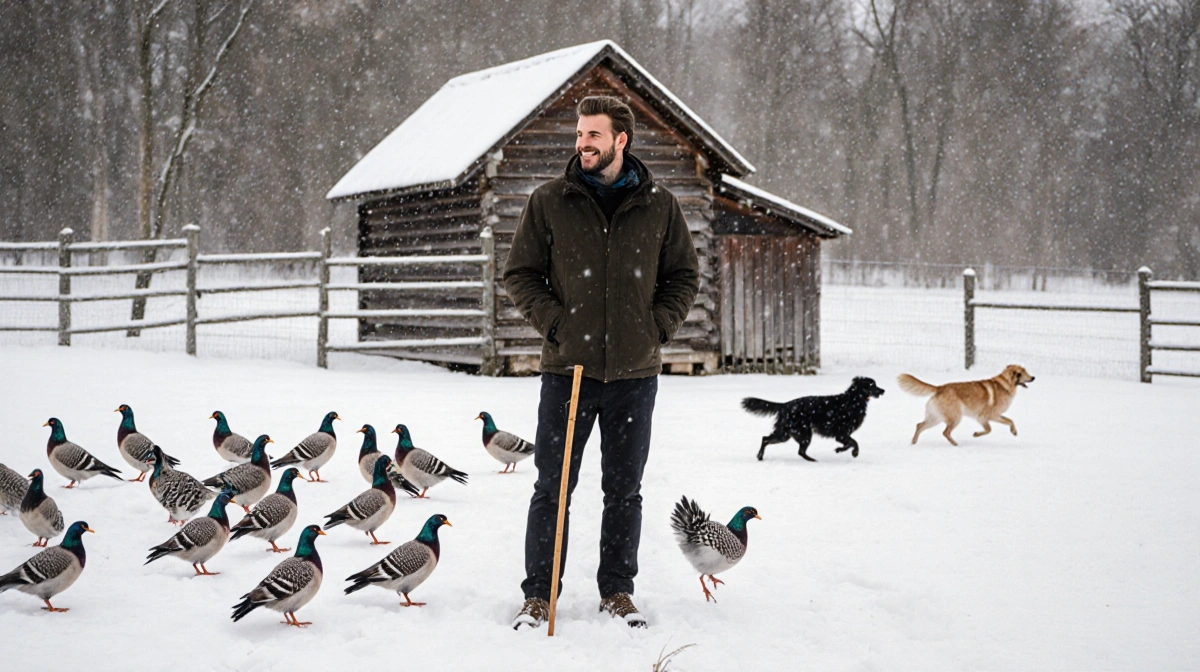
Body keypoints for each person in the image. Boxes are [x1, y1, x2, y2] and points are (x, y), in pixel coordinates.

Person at [503, 95, 700, 630]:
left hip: (634, 376)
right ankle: (539, 595)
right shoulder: (550, 201)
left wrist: (656, 328)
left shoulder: (659, 205)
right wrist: (557, 325)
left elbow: (683, 276)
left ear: (621, 140)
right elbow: (520, 273)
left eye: (593, 135)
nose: (582, 144)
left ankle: (617, 591)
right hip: (568, 372)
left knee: (624, 492)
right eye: (579, 134)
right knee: (552, 489)